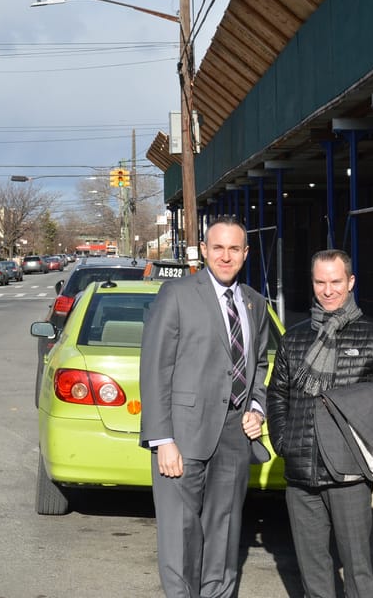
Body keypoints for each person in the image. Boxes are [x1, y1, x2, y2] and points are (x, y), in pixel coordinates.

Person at [139, 215, 269, 598]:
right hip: (182, 435)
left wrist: (257, 408)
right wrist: (162, 438)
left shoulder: (254, 303)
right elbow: (156, 367)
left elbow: (258, 364)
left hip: (234, 435)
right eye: (218, 248)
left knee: (225, 533)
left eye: (233, 249)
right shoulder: (177, 295)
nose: (225, 256)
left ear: (245, 254)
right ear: (204, 251)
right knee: (180, 534)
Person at [267, 249, 373, 598]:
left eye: (336, 282)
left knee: (358, 570)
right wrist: (284, 443)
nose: (328, 290)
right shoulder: (293, 338)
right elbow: (277, 395)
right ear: (313, 284)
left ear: (351, 282)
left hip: (350, 476)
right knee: (313, 573)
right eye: (320, 282)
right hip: (301, 473)